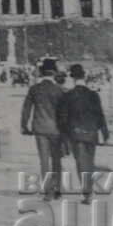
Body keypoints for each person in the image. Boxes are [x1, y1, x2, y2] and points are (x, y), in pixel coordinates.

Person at [57, 64, 109, 204]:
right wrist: (105, 132)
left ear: (72, 78)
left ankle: (87, 193)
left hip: (76, 134)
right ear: (84, 77)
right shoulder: (93, 95)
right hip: (91, 132)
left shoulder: (67, 96)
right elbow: (100, 115)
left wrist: (64, 135)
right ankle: (89, 190)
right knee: (90, 162)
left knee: (81, 162)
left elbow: (63, 118)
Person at [21, 58, 66, 201]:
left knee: (44, 160)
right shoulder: (60, 90)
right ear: (54, 73)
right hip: (56, 129)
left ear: (41, 72)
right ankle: (58, 188)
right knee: (57, 160)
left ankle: (47, 192)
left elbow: (26, 109)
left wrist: (24, 125)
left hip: (40, 128)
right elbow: (64, 112)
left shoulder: (34, 89)